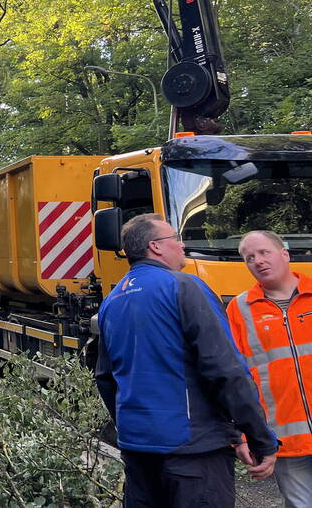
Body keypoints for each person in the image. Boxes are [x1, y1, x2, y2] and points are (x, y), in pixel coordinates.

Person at [95, 213, 277, 507]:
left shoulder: (112, 300)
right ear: (155, 246)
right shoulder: (184, 287)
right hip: (193, 452)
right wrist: (260, 438)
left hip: (139, 450)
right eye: (175, 239)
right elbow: (225, 370)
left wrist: (134, 428)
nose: (181, 246)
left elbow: (105, 377)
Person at [227, 230, 312, 508]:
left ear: (284, 254)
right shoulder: (239, 309)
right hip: (286, 438)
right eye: (249, 258)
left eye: (264, 252)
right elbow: (233, 378)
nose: (258, 261)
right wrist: (242, 434)